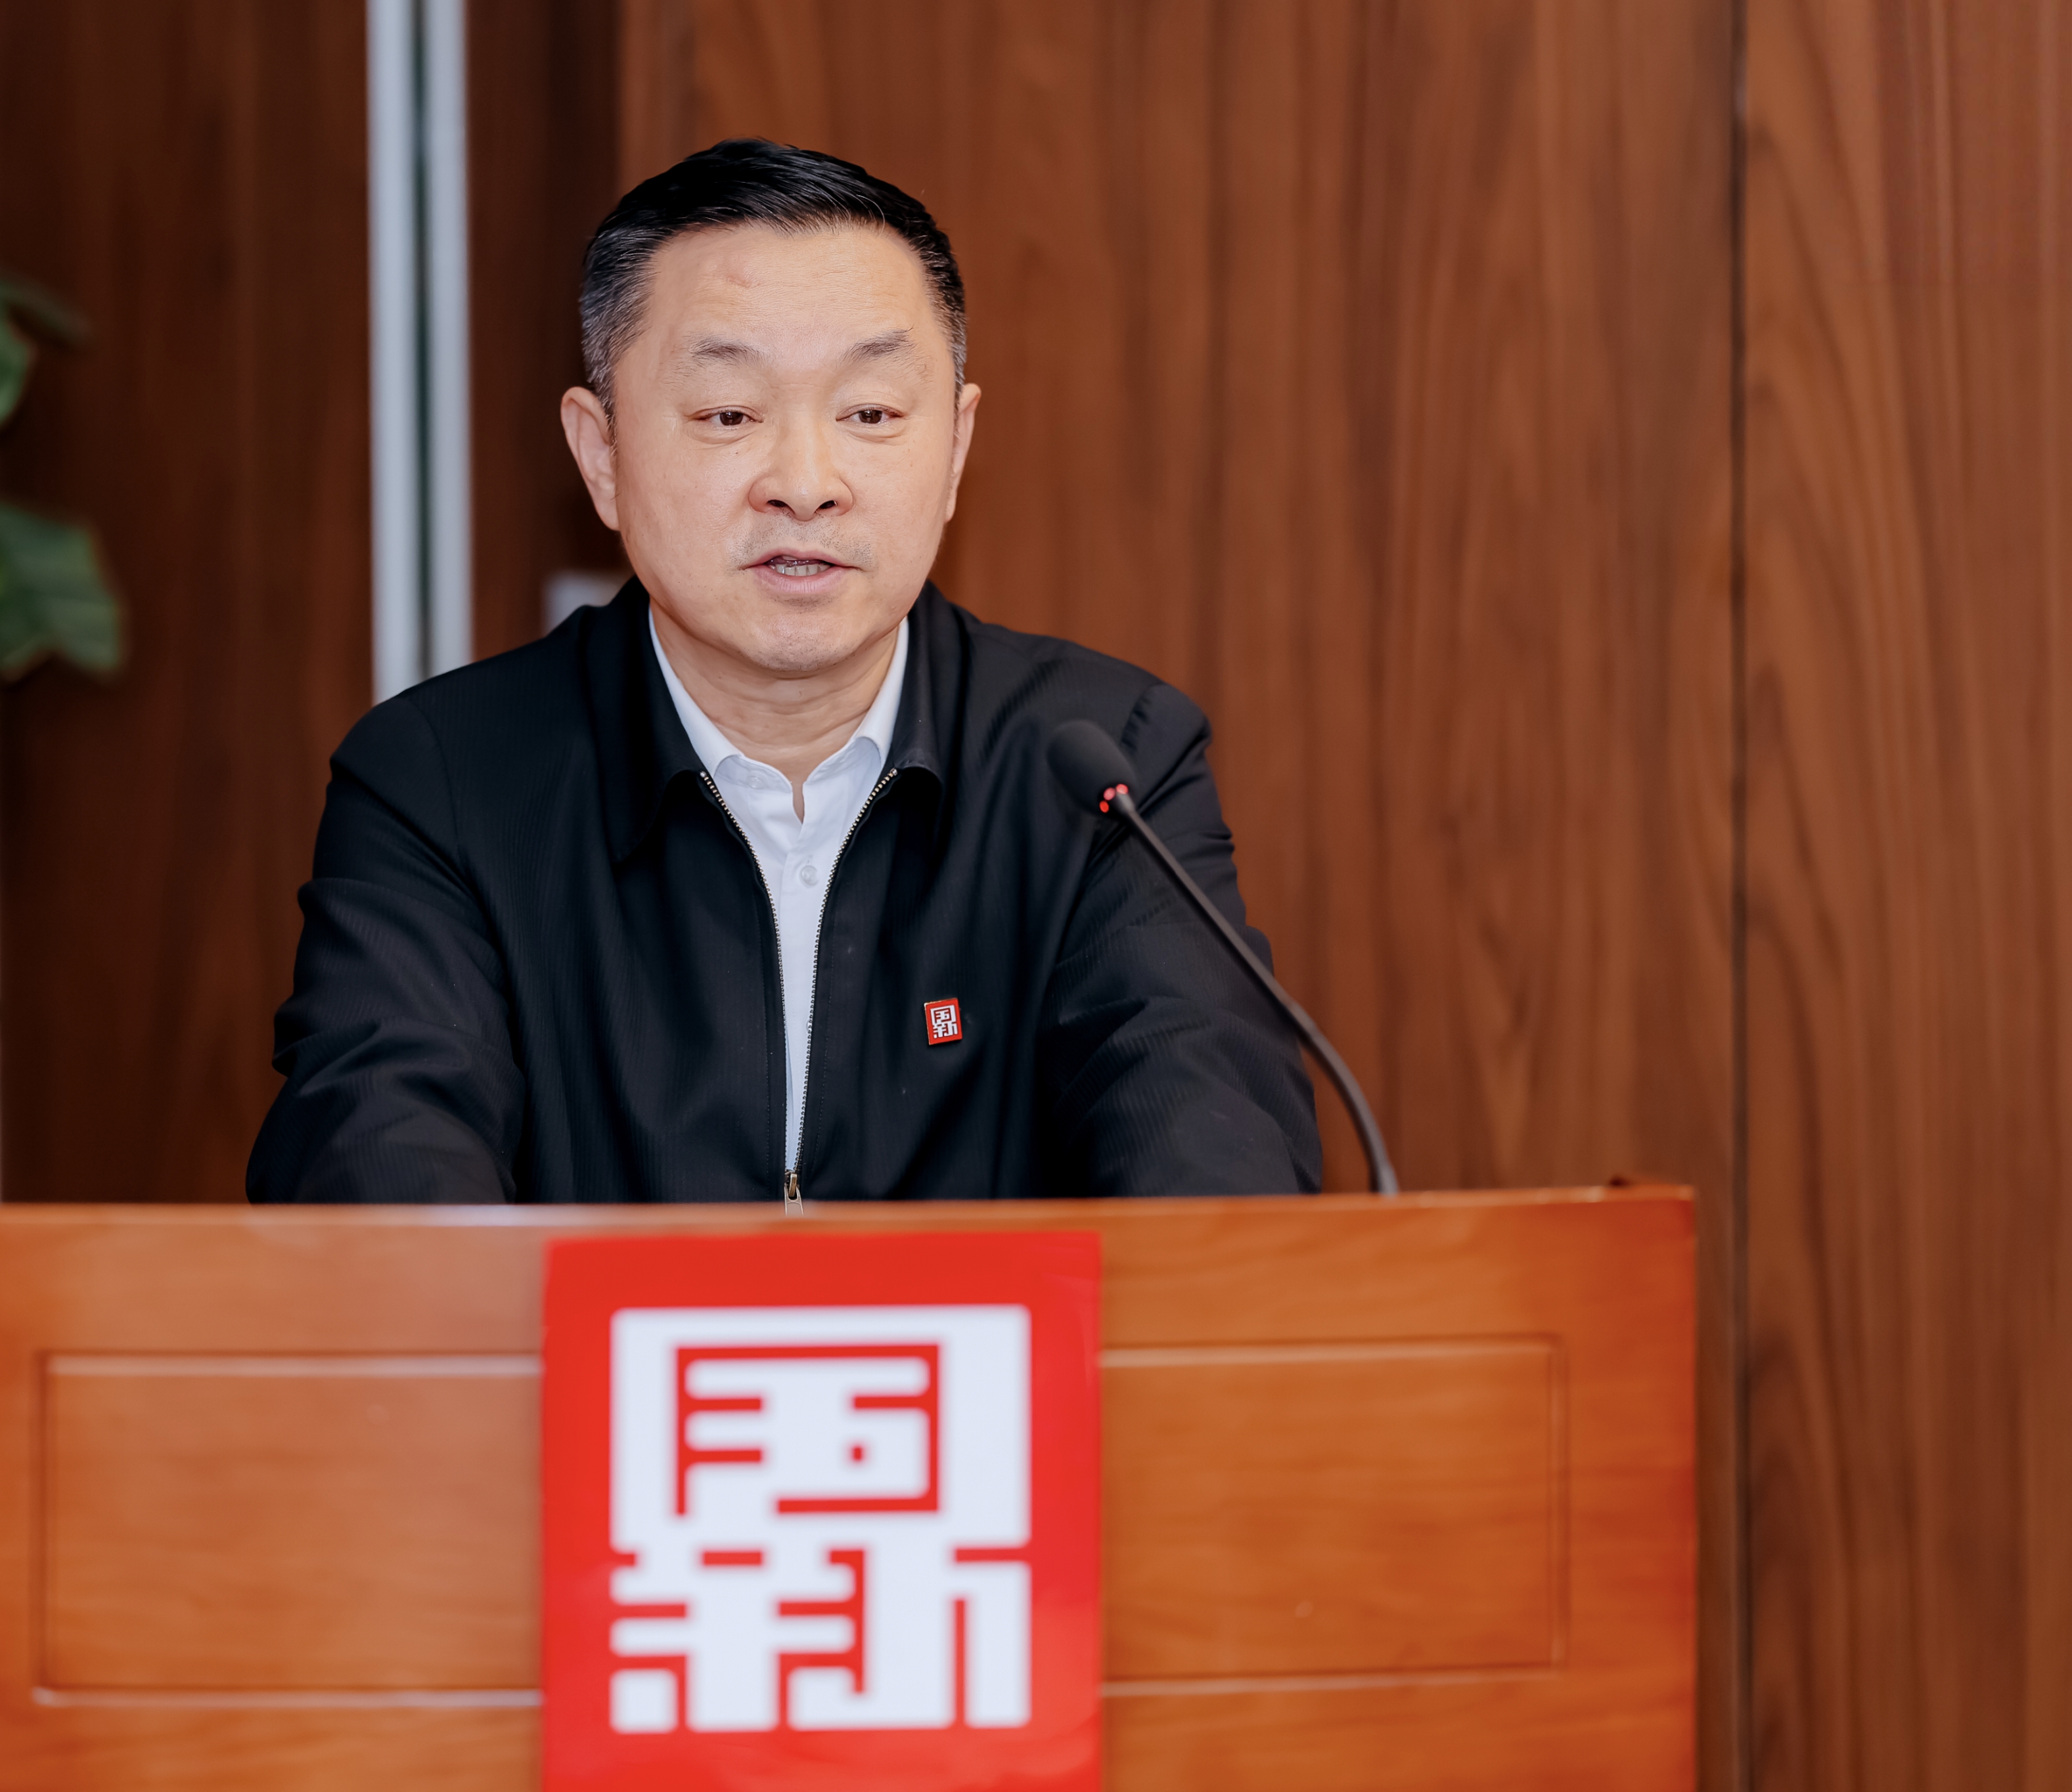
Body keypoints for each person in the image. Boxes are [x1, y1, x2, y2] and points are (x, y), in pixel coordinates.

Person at [246, 139, 1318, 1205]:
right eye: (729, 415)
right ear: (602, 455)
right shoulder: (443, 783)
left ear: (954, 450)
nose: (806, 484)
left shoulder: (1102, 770)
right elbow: (384, 1200)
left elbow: (1215, 1180)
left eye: (871, 414)